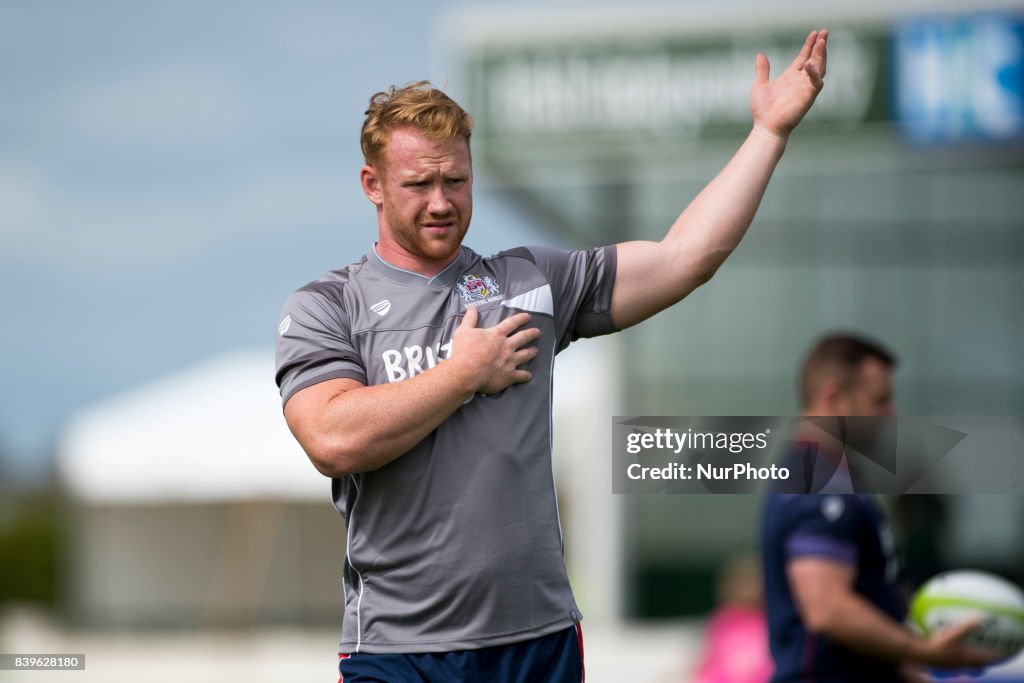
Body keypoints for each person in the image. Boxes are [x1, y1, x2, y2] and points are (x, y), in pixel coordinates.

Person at [276, 30, 830, 683]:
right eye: (418, 183)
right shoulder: (327, 305)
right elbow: (331, 438)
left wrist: (768, 134)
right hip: (400, 650)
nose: (442, 202)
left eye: (456, 180)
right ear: (373, 183)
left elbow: (684, 259)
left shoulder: (531, 281)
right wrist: (462, 374)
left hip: (536, 642)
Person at [760, 333, 998, 682]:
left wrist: (903, 667)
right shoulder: (816, 481)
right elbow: (827, 608)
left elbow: (868, 593)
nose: (889, 413)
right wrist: (921, 651)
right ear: (834, 397)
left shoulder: (836, 474)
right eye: (879, 400)